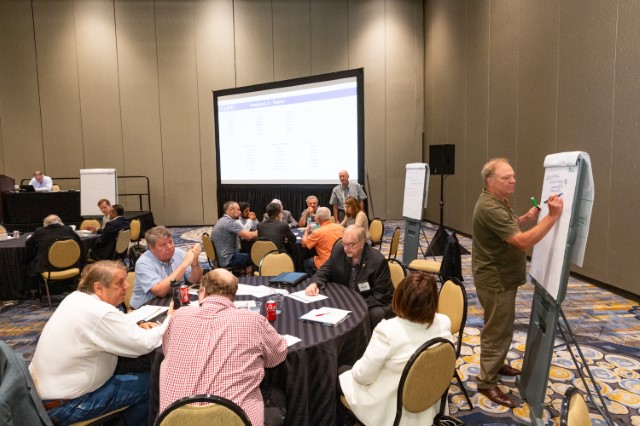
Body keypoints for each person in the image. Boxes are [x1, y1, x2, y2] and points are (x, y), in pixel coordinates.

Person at [29, 261, 170, 425]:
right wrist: (170, 320)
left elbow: (108, 325)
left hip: (46, 397)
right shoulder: (99, 312)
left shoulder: (75, 298)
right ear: (98, 288)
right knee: (156, 384)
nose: (126, 286)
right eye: (120, 282)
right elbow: (143, 344)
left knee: (140, 372)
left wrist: (136, 325)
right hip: (70, 404)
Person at [473, 158, 563, 408]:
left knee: (500, 326)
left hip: (500, 277)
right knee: (497, 331)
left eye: (513, 176)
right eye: (507, 178)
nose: (513, 181)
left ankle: (496, 364)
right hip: (496, 280)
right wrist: (551, 217)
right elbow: (522, 243)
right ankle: (487, 382)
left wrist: (524, 218)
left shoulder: (497, 200)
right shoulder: (490, 208)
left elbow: (504, 228)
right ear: (490, 181)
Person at [160, 269, 287, 426]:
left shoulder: (179, 316)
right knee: (275, 395)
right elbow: (277, 356)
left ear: (203, 292)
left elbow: (167, 351)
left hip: (173, 421)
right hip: (235, 421)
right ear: (233, 295)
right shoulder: (253, 321)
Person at [338, 272, 452, 425]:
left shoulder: (388, 331)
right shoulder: (444, 322)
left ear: (400, 298)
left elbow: (363, 377)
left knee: (340, 372)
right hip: (428, 400)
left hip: (392, 410)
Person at [305, 225, 393, 329]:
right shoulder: (339, 250)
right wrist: (314, 283)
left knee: (372, 314)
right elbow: (324, 270)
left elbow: (381, 295)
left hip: (372, 301)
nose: (346, 249)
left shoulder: (377, 261)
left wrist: (355, 305)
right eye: (344, 243)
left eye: (351, 244)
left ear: (362, 243)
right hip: (349, 298)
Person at [130, 226, 203, 309]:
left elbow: (195, 281)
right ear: (150, 247)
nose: (169, 247)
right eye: (162, 245)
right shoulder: (143, 263)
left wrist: (194, 263)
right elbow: (161, 292)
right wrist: (184, 265)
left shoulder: (179, 253)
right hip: (147, 308)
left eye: (170, 242)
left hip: (172, 301)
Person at [25, 214, 83, 286]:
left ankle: (34, 289)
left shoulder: (40, 231)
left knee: (29, 263)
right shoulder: (68, 229)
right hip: (71, 266)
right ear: (60, 222)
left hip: (49, 269)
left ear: (45, 224)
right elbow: (78, 241)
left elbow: (28, 243)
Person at [212, 201, 258, 275]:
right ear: (231, 210)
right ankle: (246, 278)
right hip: (227, 259)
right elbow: (248, 236)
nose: (240, 212)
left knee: (244, 254)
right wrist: (261, 231)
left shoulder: (221, 220)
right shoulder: (229, 222)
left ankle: (240, 273)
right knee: (253, 257)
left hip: (219, 258)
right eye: (238, 210)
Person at [301, 207, 343, 275]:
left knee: (306, 263)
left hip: (326, 263)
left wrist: (306, 232)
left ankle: (315, 278)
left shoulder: (317, 232)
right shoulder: (341, 228)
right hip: (341, 261)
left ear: (318, 219)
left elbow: (304, 244)